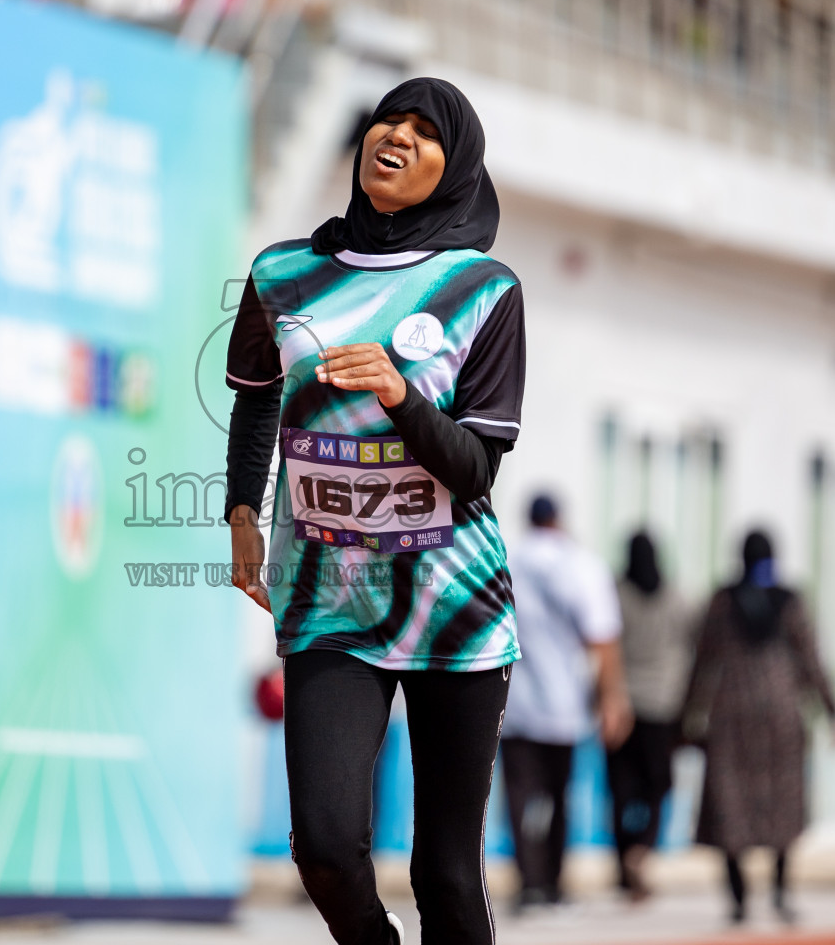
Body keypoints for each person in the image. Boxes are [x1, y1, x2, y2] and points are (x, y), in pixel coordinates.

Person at [223, 77, 526, 945]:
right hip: (329, 601)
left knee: (444, 873)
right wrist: (243, 511)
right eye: (389, 120)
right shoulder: (283, 273)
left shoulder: (483, 291)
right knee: (322, 847)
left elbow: (474, 469)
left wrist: (401, 395)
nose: (398, 137)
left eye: (427, 133)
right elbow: (254, 398)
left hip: (455, 610)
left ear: (456, 166)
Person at [682, 529, 835, 926]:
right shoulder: (791, 601)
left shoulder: (722, 601)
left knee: (729, 804)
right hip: (782, 714)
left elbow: (702, 662)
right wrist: (833, 711)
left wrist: (687, 715)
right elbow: (812, 659)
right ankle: (781, 892)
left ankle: (738, 898)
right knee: (782, 807)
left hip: (731, 713)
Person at [501, 494, 633, 910]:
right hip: (564, 702)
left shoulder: (508, 559)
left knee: (520, 795)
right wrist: (612, 698)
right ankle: (553, 882)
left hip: (514, 701)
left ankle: (528, 881)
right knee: (559, 795)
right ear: (558, 520)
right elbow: (603, 636)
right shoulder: (581, 564)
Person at [607, 529, 697, 901]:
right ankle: (643, 848)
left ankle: (623, 863)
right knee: (658, 785)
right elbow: (690, 649)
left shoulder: (615, 594)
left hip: (623, 704)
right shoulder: (677, 598)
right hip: (664, 705)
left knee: (621, 788)